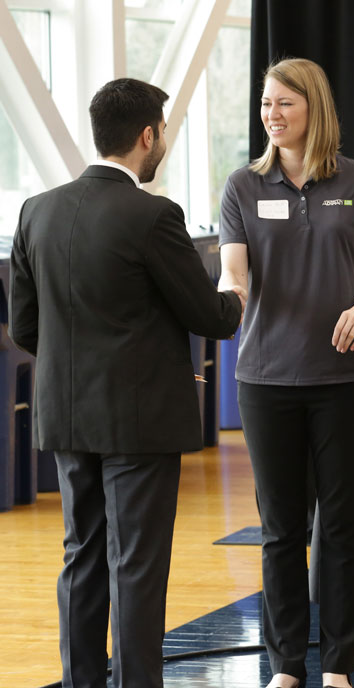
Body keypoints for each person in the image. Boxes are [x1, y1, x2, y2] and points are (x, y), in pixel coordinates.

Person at [9, 78, 244, 688]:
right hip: (138, 424)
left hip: (66, 416)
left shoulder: (36, 210)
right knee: (136, 567)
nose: (163, 139)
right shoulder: (153, 215)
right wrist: (237, 291)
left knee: (81, 557)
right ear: (147, 135)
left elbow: (28, 327)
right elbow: (208, 317)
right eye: (163, 130)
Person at [218, 58, 354, 688]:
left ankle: (340, 665)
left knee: (342, 526)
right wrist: (230, 295)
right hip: (265, 379)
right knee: (280, 531)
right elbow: (234, 271)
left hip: (343, 380)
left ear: (314, 108)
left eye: (284, 104)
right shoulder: (242, 186)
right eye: (266, 104)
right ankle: (287, 665)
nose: (271, 114)